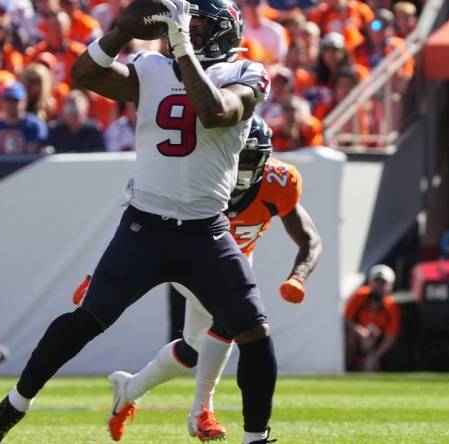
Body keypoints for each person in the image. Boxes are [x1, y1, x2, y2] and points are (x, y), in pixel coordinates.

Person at [0, 0, 278, 442]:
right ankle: (12, 407)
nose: (186, 31)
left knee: (254, 331)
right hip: (146, 226)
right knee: (87, 319)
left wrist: (183, 47)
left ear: (225, 31)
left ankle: (256, 439)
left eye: (198, 25)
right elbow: (85, 76)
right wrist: (118, 32)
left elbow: (214, 112)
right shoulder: (152, 66)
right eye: (184, 24)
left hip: (206, 231)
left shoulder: (246, 74)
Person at [75, 116, 322, 441]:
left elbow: (310, 239)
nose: (243, 167)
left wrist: (298, 276)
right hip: (190, 254)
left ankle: (129, 389)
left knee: (192, 349)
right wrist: (96, 274)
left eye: (251, 158)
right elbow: (135, 218)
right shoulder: (198, 174)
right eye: (239, 156)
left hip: (235, 259)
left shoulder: (280, 182)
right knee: (230, 319)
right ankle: (201, 411)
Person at [344, 264, 400, 371]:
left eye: (383, 283)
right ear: (370, 282)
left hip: (377, 344)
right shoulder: (360, 295)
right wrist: (361, 332)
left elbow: (390, 337)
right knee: (348, 335)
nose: (379, 286)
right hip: (357, 339)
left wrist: (374, 356)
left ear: (390, 286)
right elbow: (347, 318)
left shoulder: (391, 307)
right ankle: (349, 364)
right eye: (376, 281)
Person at [0, 82, 47, 155]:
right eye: (8, 101)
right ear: (2, 102)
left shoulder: (34, 126)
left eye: (15, 101)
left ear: (24, 101)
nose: (11, 105)